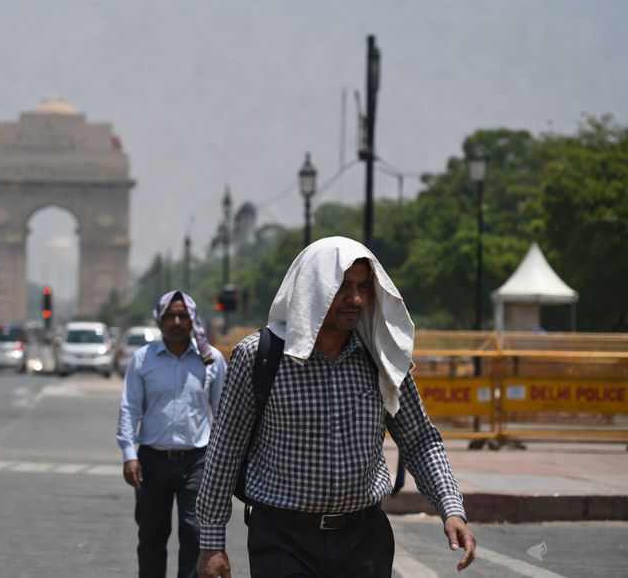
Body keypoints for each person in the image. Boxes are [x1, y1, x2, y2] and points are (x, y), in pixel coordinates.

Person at [195, 237, 477, 578]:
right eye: (342, 286)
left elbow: (419, 439)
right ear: (312, 289)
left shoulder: (381, 357)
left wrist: (451, 508)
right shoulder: (259, 356)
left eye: (363, 287)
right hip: (282, 539)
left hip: (364, 541)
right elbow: (226, 449)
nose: (355, 299)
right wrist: (212, 542)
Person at [118, 291, 228, 578]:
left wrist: (224, 462)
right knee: (151, 535)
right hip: (152, 460)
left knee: (195, 534)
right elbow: (130, 408)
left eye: (182, 316)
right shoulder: (143, 360)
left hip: (197, 461)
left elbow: (224, 414)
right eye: (170, 316)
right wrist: (129, 454)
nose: (176, 322)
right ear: (160, 320)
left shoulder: (211, 359)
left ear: (193, 320)